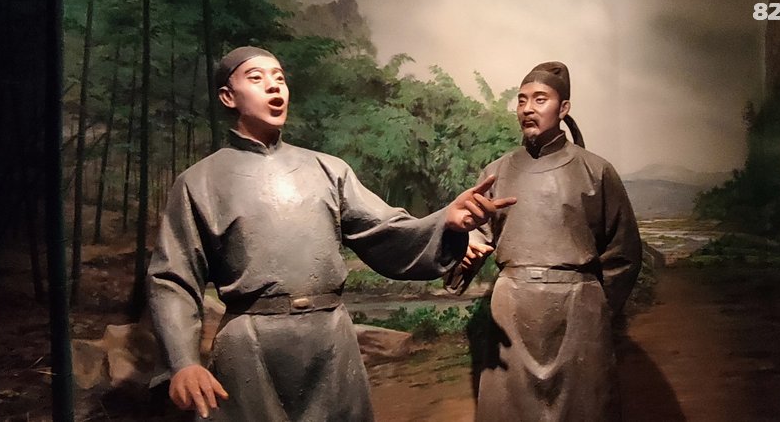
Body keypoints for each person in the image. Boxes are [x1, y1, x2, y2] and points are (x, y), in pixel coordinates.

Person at [147, 46, 516, 421]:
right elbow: (173, 277)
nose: (274, 87)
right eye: (257, 78)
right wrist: (183, 361)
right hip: (248, 345)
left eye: (279, 78)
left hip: (330, 341)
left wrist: (445, 221)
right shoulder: (199, 182)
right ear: (228, 96)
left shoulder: (327, 170)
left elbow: (385, 230)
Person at [447, 61, 642, 422]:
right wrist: (466, 251)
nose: (527, 109)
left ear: (563, 108)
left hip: (578, 312)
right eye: (522, 100)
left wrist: (596, 308)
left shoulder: (596, 170)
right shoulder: (496, 172)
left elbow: (624, 251)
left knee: (585, 410)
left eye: (540, 99)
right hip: (512, 311)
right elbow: (475, 232)